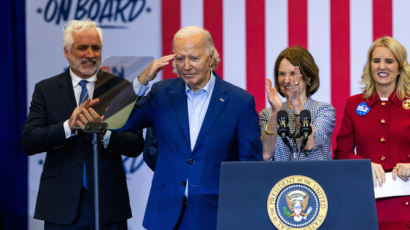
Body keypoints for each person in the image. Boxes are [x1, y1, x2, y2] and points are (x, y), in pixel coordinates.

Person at [122, 25, 262, 229]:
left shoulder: (240, 102)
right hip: (165, 214)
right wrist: (142, 81)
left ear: (211, 57)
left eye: (194, 58)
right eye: (180, 59)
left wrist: (240, 216)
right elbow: (116, 122)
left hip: (215, 215)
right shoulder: (160, 93)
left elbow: (248, 167)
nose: (186, 66)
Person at [20, 19, 144, 230]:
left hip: (109, 205)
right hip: (61, 205)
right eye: (82, 48)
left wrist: (102, 131)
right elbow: (29, 141)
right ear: (67, 52)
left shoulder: (119, 88)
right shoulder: (46, 89)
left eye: (95, 48)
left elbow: (135, 145)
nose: (90, 54)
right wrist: (68, 126)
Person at [334, 36, 410, 229]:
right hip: (367, 204)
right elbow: (340, 155)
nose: (381, 66)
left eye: (389, 61)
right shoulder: (354, 104)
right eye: (376, 61)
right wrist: (362, 164)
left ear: (400, 67)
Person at [260, 46, 335, 161]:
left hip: (315, 178)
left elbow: (309, 144)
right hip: (280, 178)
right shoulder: (267, 114)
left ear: (308, 77)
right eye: (282, 74)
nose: (286, 80)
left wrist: (296, 104)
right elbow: (265, 154)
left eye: (292, 73)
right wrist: (275, 112)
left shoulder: (324, 110)